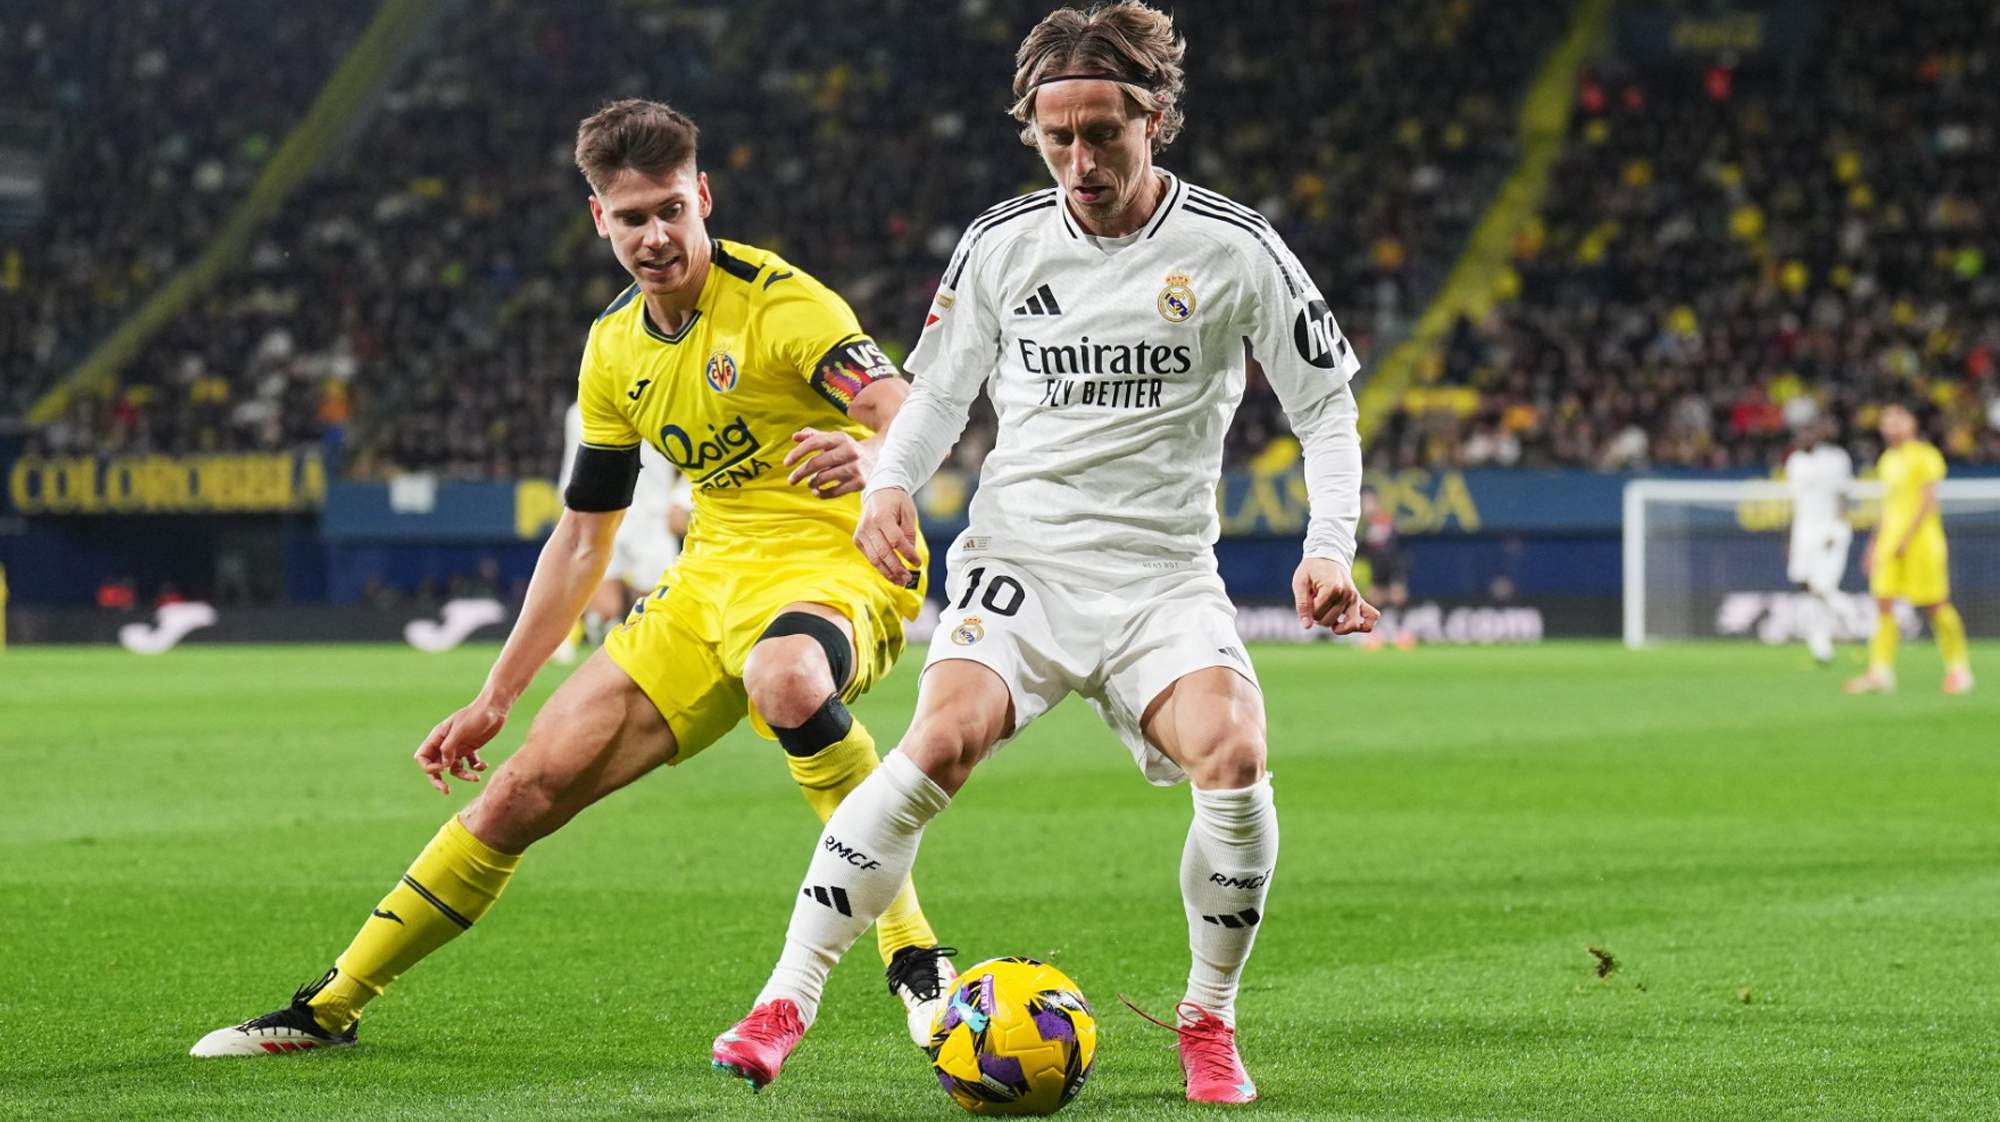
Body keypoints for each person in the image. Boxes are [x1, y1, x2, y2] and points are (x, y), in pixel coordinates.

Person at [191, 99, 957, 1058]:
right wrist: (494, 696)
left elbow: (901, 404)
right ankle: (329, 1006)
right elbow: (584, 538)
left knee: (787, 676)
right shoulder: (614, 348)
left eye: (671, 209)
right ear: (600, 219)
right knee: (521, 790)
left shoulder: (784, 305)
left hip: (837, 559)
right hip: (707, 585)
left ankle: (913, 953)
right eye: (632, 217)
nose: (656, 236)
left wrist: (878, 456)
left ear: (704, 197)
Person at [708, 3, 1376, 1104]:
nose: (1079, 161)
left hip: (1162, 575)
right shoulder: (1002, 242)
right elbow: (936, 394)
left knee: (1234, 755)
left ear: (1154, 120)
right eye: (1055, 137)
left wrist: (1329, 547)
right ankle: (786, 999)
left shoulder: (1234, 248)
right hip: (1022, 560)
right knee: (940, 741)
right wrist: (889, 484)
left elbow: (1325, 409)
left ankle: (1207, 1018)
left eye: (1102, 134)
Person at [1846, 404, 1973, 694]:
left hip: (1922, 543)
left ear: (1912, 423)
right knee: (1883, 604)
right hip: (1889, 543)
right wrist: (1873, 545)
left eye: (1897, 421)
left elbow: (1928, 501)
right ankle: (1880, 672)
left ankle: (1958, 669)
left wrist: (1906, 539)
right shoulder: (1887, 459)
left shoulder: (1926, 455)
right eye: (1887, 422)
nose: (1891, 427)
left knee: (1936, 605)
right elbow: (1887, 506)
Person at [553, 399, 693, 662]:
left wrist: (682, 499)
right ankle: (605, 659)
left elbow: (698, 449)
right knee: (603, 612)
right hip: (604, 515)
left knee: (656, 610)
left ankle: (653, 664)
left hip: (653, 517)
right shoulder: (580, 410)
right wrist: (571, 508)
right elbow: (573, 466)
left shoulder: (661, 399)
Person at [1782, 420, 1854, 665]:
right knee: (1807, 587)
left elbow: (1844, 497)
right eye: (1799, 433)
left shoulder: (1836, 459)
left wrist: (1837, 529)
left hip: (1829, 530)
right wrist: (1789, 539)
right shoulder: (1795, 462)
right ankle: (1820, 645)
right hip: (1803, 532)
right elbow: (1792, 502)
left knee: (1823, 586)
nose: (1803, 437)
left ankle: (1855, 619)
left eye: (1807, 431)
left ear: (1817, 433)